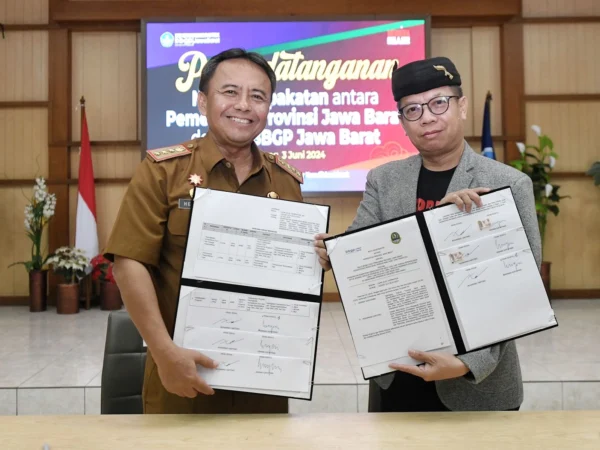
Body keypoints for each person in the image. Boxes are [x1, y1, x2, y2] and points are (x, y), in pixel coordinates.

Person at [314, 56, 541, 412]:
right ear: (402, 122)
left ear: (462, 106)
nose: (428, 117)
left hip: (476, 380)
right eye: (412, 110)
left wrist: (469, 363)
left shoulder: (509, 184)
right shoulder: (383, 180)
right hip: (398, 369)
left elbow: (520, 291)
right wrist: (336, 254)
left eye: (439, 103)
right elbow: (361, 258)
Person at [104, 48, 303, 414]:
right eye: (230, 92)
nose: (244, 105)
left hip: (264, 376)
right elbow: (129, 263)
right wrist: (164, 353)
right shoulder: (164, 172)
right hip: (181, 372)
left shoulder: (286, 182)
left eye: (257, 96)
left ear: (269, 107)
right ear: (202, 101)